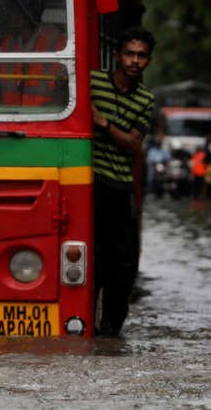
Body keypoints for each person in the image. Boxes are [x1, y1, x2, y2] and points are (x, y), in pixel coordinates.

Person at [91, 26, 156, 336]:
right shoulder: (93, 82)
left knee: (125, 264)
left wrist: (103, 123)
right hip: (93, 184)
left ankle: (111, 333)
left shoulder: (146, 99)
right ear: (117, 56)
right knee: (95, 257)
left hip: (122, 187)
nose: (134, 61)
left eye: (141, 56)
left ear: (149, 62)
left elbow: (132, 144)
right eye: (130, 54)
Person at [0, 2, 67, 107]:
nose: (8, 19)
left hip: (48, 115)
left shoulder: (55, 40)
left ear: (26, 16)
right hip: (9, 115)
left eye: (12, 14)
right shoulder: (8, 43)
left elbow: (67, 84)